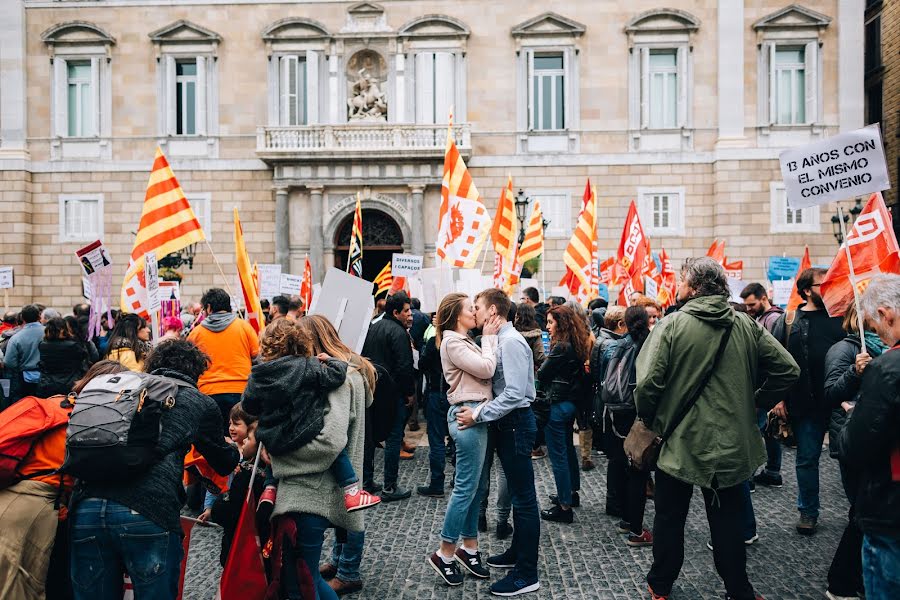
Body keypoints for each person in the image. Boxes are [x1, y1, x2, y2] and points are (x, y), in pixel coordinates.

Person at [636, 257, 799, 600]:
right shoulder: (745, 324)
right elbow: (787, 369)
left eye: (680, 281)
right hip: (729, 444)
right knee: (727, 524)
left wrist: (652, 418)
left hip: (677, 444)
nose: (677, 288)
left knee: (669, 519)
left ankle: (660, 585)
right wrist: (756, 401)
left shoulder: (671, 325)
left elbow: (647, 384)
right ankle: (739, 590)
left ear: (693, 288)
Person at [68, 339, 240, 600]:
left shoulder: (128, 387)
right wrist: (235, 449)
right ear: (196, 372)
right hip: (148, 511)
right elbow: (223, 462)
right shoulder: (197, 401)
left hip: (87, 507)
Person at [0, 360, 127, 600]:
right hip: (35, 507)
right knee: (21, 586)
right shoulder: (92, 423)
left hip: (10, 496)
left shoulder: (50, 405)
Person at [272, 315, 377, 600]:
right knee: (306, 579)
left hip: (317, 487)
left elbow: (330, 441)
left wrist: (281, 460)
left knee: (303, 582)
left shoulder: (338, 379)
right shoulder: (345, 372)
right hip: (324, 484)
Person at [241, 318, 379, 513]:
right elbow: (336, 375)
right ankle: (351, 491)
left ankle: (269, 489)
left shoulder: (257, 375)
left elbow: (248, 405)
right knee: (339, 451)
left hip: (273, 436)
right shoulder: (307, 366)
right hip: (305, 428)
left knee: (272, 450)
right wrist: (330, 360)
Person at [456, 288, 540, 596]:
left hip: (517, 423)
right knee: (519, 495)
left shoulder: (513, 341)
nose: (474, 312)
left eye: (477, 307)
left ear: (493, 310)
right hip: (508, 424)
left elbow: (515, 394)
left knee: (525, 499)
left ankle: (527, 573)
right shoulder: (499, 339)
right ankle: (517, 554)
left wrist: (478, 414)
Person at [426, 293, 500, 585]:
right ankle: (444, 553)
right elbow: (486, 369)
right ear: (457, 315)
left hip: (477, 413)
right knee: (465, 488)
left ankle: (469, 549)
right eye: (470, 308)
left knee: (477, 487)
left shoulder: (463, 340)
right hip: (466, 414)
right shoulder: (452, 341)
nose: (475, 312)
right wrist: (490, 339)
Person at [771, 268, 846, 535]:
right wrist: (779, 398)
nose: (828, 287)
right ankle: (808, 512)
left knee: (850, 458)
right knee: (806, 459)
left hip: (840, 402)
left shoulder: (842, 317)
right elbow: (775, 362)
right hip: (805, 403)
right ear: (806, 290)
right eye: (822, 284)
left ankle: (858, 511)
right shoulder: (789, 320)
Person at [840, 275, 900, 600]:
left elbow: (854, 445)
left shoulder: (888, 366)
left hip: (890, 504)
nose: (878, 334)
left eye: (876, 326)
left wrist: (854, 415)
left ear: (886, 314)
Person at [823, 303, 886, 600]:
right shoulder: (843, 350)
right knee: (862, 512)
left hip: (873, 438)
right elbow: (831, 393)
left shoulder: (883, 349)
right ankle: (843, 581)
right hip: (849, 439)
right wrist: (854, 371)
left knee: (864, 510)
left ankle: (854, 576)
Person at [599, 305, 654, 546]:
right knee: (638, 469)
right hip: (637, 410)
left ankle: (625, 518)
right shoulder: (647, 345)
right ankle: (636, 529)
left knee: (623, 463)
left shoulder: (617, 344)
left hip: (616, 411)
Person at [536, 305, 590, 524]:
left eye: (550, 322)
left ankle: (564, 506)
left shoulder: (561, 347)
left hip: (557, 406)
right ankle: (571, 493)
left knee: (558, 456)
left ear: (561, 323)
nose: (547, 327)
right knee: (567, 451)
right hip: (569, 404)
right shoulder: (576, 342)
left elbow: (542, 372)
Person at [362, 291, 415, 501]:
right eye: (407, 311)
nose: (410, 314)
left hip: (372, 390)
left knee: (369, 438)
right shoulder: (398, 332)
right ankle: (390, 487)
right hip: (391, 394)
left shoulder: (373, 327)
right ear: (396, 312)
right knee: (394, 438)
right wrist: (409, 393)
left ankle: (367, 482)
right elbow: (404, 367)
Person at [187, 288, 260, 433]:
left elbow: (189, 366)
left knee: (215, 439)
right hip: (241, 391)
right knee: (242, 438)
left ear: (208, 307)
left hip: (208, 393)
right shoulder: (245, 327)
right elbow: (257, 358)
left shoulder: (196, 333)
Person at [739, 282, 787, 489]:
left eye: (751, 304)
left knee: (754, 430)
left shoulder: (773, 319)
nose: (748, 309)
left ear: (764, 298)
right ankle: (772, 472)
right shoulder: (761, 318)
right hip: (764, 384)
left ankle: (748, 477)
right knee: (768, 430)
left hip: (765, 385)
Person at [417, 320, 451, 498]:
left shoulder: (435, 342)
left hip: (437, 394)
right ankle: (458, 479)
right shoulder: (460, 341)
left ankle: (437, 484)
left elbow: (422, 364)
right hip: (456, 394)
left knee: (437, 441)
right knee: (456, 441)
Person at [3, 304, 45, 402]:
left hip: (23, 380)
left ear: (22, 318)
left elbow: (9, 362)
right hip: (47, 377)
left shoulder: (16, 338)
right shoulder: (49, 333)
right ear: (39, 316)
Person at [37, 317, 87, 397]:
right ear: (64, 329)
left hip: (48, 383)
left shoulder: (42, 345)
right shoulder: (73, 346)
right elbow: (83, 358)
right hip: (69, 383)